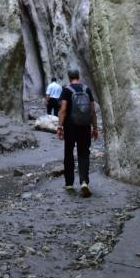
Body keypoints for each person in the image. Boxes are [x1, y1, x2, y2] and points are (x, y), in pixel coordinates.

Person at [57, 68, 98, 197]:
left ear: (69, 77)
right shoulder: (86, 89)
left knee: (68, 153)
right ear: (78, 77)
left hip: (70, 127)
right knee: (84, 153)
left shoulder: (66, 90)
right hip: (85, 127)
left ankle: (69, 183)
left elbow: (63, 109)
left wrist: (59, 127)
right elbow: (92, 110)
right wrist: (95, 128)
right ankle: (84, 181)